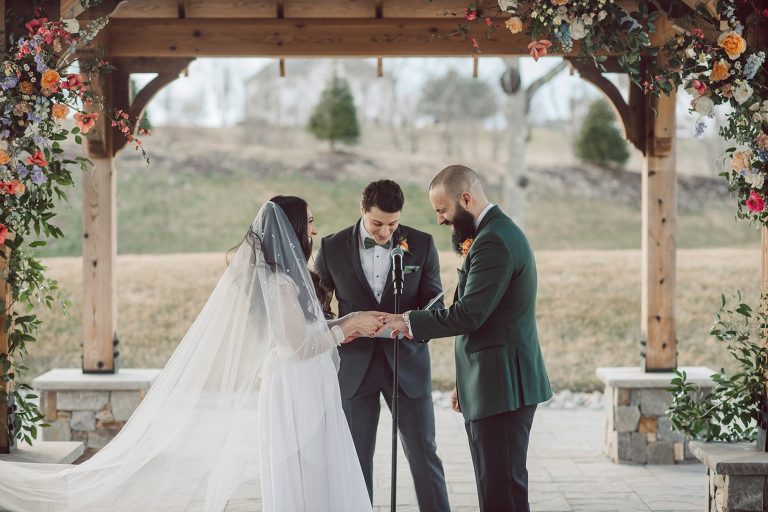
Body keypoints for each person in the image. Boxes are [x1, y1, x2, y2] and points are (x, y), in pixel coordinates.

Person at [0, 196, 379, 512]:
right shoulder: (279, 283)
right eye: (310, 221)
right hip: (295, 389)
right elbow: (298, 346)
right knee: (308, 473)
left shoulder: (286, 277)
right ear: (294, 229)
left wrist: (352, 319)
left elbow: (307, 331)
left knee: (319, 468)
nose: (315, 230)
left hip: (307, 384)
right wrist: (349, 328)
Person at [378, 166, 552, 512]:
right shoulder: (493, 233)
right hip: (491, 381)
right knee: (501, 487)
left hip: (503, 386)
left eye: (442, 210)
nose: (440, 220)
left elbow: (469, 314)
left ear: (466, 199)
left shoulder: (494, 241)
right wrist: (466, 381)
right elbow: (487, 321)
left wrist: (407, 321)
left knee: (500, 494)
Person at [315, 180, 450, 512]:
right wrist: (342, 327)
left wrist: (408, 322)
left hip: (409, 365)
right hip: (354, 368)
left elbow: (436, 306)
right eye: (377, 223)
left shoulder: (422, 243)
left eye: (393, 224)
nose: (385, 232)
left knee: (423, 453)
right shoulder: (331, 247)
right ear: (362, 210)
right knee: (355, 458)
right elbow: (316, 308)